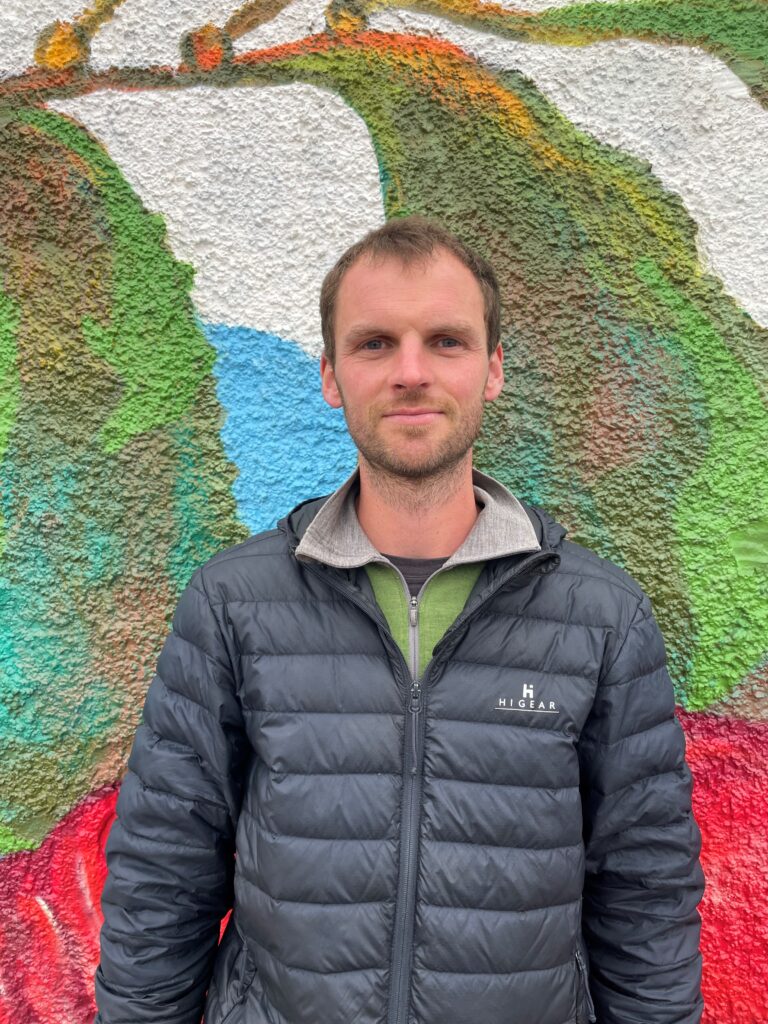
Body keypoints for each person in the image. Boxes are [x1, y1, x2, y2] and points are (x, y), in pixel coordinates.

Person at [94, 215, 704, 1024]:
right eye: (375, 343)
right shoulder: (232, 604)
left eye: (445, 341)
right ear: (330, 376)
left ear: (493, 371)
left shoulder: (601, 618)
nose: (411, 371)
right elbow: (163, 873)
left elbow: (646, 895)